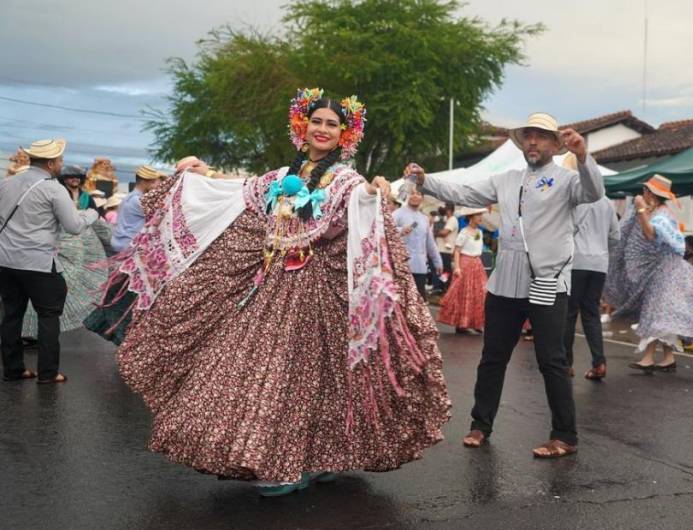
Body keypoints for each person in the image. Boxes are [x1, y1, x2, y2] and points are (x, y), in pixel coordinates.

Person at [87, 89, 450, 495]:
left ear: (344, 134)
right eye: (317, 121)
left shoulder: (345, 179)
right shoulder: (279, 177)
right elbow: (241, 190)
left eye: (332, 124)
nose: (323, 129)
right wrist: (204, 174)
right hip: (274, 285)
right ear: (303, 125)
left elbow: (359, 202)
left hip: (323, 294)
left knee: (321, 378)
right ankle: (282, 460)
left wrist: (373, 191)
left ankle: (318, 457)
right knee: (262, 369)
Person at [405, 112, 604, 459]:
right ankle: (480, 426)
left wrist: (584, 157)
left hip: (546, 281)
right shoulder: (507, 179)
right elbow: (463, 191)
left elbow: (594, 191)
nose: (532, 142)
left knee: (552, 360)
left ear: (555, 145)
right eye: (528, 135)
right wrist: (425, 180)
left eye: (541, 136)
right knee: (492, 358)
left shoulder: (568, 179)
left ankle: (564, 435)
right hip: (505, 281)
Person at [604, 175, 693, 373]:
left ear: (650, 193)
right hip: (663, 271)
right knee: (663, 314)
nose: (643, 193)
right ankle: (668, 358)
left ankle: (647, 359)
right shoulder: (655, 212)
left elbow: (650, 234)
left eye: (646, 190)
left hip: (670, 271)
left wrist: (639, 208)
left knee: (656, 313)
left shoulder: (662, 215)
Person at [0, 139, 98, 384]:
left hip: (6, 260)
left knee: (11, 314)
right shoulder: (54, 189)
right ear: (52, 162)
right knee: (48, 316)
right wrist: (91, 214)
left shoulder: (7, 182)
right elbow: (74, 226)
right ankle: (48, 373)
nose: (61, 165)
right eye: (61, 161)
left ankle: (13, 369)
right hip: (39, 263)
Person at [21, 165, 109, 338]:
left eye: (77, 177)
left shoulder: (87, 198)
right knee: (47, 288)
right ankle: (33, 328)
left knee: (69, 284)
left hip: (80, 249)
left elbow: (95, 219)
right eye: (70, 176)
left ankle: (63, 315)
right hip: (56, 246)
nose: (74, 179)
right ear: (64, 178)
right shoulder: (58, 192)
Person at [565, 196, 620, 381]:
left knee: (569, 313)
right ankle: (599, 363)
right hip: (599, 264)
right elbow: (615, 236)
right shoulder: (608, 202)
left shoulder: (577, 200)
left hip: (577, 262)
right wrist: (601, 247)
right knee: (591, 314)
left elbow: (568, 229)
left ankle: (566, 364)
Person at [437, 206, 488, 333]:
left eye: (481, 215)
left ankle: (476, 323)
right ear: (471, 217)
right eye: (478, 215)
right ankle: (461, 324)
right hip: (465, 263)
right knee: (464, 293)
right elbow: (457, 251)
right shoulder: (464, 232)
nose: (480, 217)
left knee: (479, 293)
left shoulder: (480, 232)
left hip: (476, 263)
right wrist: (458, 267)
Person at [393, 189, 443, 300]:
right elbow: (384, 231)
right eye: (412, 193)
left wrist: (437, 261)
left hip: (420, 267)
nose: (415, 196)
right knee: (401, 302)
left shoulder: (424, 218)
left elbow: (430, 243)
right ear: (407, 195)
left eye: (418, 193)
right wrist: (400, 230)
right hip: (401, 266)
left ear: (422, 198)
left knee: (418, 302)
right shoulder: (397, 214)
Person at [109, 165, 162, 253]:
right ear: (144, 182)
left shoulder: (130, 197)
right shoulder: (138, 200)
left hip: (122, 243)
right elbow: (158, 216)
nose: (155, 186)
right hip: (128, 244)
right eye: (153, 182)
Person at [435, 203, 459, 289]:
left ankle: (444, 289)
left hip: (446, 250)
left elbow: (444, 233)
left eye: (445, 209)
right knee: (442, 270)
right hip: (441, 249)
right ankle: (441, 288)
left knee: (445, 271)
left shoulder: (453, 220)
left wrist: (434, 233)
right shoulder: (446, 219)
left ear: (449, 210)